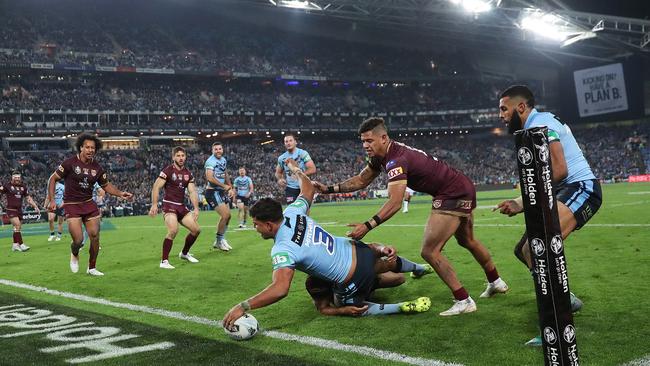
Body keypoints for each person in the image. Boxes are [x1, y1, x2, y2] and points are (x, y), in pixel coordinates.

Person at [312, 117, 508, 316]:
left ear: (383, 138)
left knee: (430, 251)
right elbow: (362, 180)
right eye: (363, 141)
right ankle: (496, 281)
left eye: (369, 141)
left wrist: (367, 225)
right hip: (460, 185)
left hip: (451, 193)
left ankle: (463, 300)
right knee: (468, 241)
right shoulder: (383, 156)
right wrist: (328, 189)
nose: (365, 145)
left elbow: (395, 202)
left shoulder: (396, 160)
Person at [222, 158, 431, 329]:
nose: (255, 228)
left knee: (343, 304)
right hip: (361, 252)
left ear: (268, 225)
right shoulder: (293, 212)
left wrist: (244, 305)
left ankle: (400, 306)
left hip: (352, 276)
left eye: (257, 224)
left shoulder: (282, 249)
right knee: (396, 278)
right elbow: (307, 189)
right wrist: (297, 170)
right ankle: (419, 267)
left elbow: (280, 289)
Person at [495, 85, 602, 345]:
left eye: (503, 109)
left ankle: (557, 323)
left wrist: (522, 200)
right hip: (564, 190)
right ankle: (565, 300)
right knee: (526, 250)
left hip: (581, 188)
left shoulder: (539, 124)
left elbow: (560, 168)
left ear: (521, 107)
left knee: (540, 246)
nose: (500, 115)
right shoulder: (537, 123)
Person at [47, 133, 133, 276]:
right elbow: (52, 179)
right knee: (79, 240)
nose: (90, 150)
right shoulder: (69, 163)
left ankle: (91, 267)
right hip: (72, 204)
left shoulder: (97, 168)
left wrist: (120, 193)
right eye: (87, 147)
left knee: (94, 236)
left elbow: (106, 185)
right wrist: (51, 200)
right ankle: (74, 253)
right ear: (81, 148)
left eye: (92, 148)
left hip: (88, 203)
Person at [306, 258, 434, 316]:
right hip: (360, 271)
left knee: (347, 305)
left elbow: (323, 308)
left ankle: (399, 307)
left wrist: (342, 310)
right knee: (395, 274)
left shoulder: (313, 280)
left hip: (349, 290)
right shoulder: (337, 256)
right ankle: (419, 268)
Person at [149, 146, 201, 269]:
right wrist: (154, 204)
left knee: (196, 230)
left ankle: (184, 253)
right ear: (173, 157)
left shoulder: (188, 174)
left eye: (183, 155)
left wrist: (196, 208)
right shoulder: (167, 171)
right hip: (169, 205)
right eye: (178, 155)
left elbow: (192, 192)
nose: (181, 158)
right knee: (173, 230)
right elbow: (156, 187)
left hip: (181, 207)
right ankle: (164, 261)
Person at [204, 142, 234, 251]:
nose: (218, 151)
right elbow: (210, 178)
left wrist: (230, 186)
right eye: (215, 149)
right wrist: (224, 186)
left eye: (220, 149)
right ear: (212, 151)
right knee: (225, 216)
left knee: (228, 216)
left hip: (220, 191)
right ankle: (219, 241)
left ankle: (221, 239)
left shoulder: (223, 160)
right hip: (213, 192)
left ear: (223, 149)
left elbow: (225, 173)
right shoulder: (210, 161)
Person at [0, 171, 40, 252]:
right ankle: (21, 244)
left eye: (18, 177)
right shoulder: (7, 186)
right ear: (12, 177)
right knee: (17, 225)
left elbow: (28, 198)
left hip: (19, 210)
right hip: (11, 209)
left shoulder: (23, 187)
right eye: (16, 177)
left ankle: (15, 245)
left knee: (17, 228)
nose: (17, 179)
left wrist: (35, 206)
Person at [275, 133, 316, 205]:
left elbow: (312, 169)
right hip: (291, 189)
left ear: (295, 142)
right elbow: (278, 173)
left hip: (304, 186)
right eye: (286, 141)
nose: (288, 143)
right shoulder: (282, 158)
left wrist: (299, 174)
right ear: (284, 144)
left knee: (305, 211)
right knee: (292, 211)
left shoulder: (302, 153)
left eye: (290, 140)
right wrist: (280, 179)